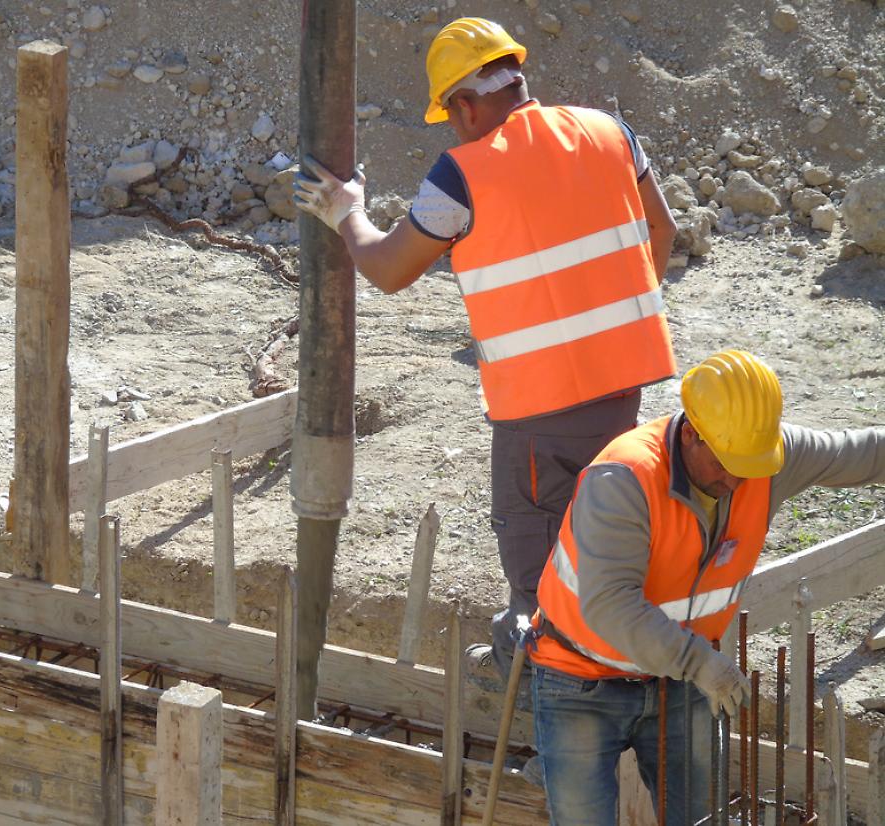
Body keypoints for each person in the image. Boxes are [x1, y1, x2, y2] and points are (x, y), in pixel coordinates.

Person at [293, 17, 679, 676]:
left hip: (537, 413)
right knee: (599, 538)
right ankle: (524, 648)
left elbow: (390, 268)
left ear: (464, 106)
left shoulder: (463, 174)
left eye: (449, 114)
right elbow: (661, 233)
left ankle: (546, 709)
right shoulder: (611, 134)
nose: (452, 126)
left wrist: (345, 212)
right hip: (621, 390)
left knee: (540, 573)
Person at [528, 349, 885, 825]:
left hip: (679, 684)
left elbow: (858, 453)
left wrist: (693, 667)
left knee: (700, 819)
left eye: (747, 465)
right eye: (724, 463)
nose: (736, 478)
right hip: (580, 679)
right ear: (692, 434)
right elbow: (611, 603)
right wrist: (701, 663)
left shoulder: (761, 457)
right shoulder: (624, 478)